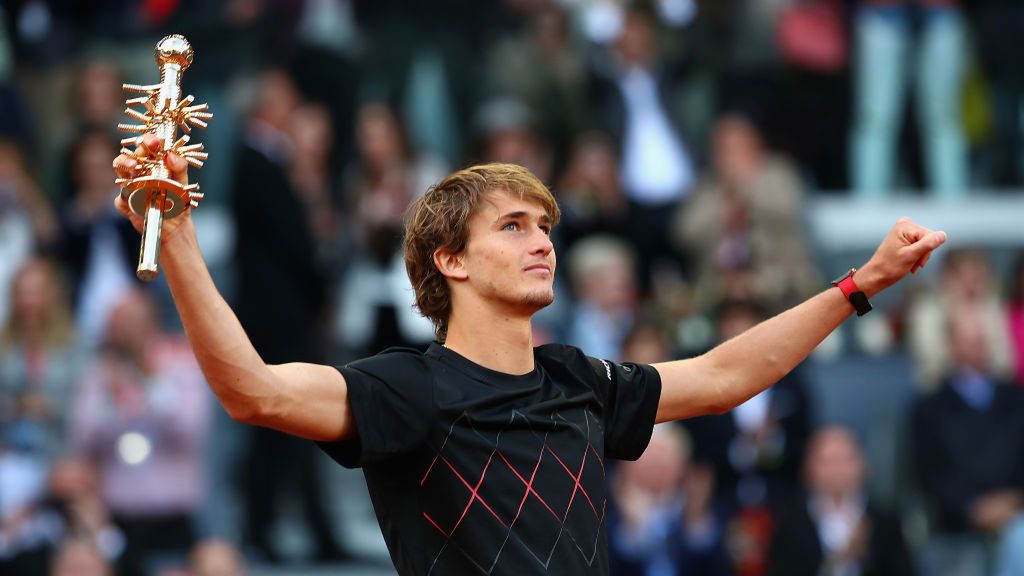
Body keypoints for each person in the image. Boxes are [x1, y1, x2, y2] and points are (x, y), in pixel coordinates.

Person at [112, 133, 946, 575]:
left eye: (545, 225)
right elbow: (251, 391)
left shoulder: (578, 379)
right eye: (513, 226)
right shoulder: (407, 387)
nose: (541, 241)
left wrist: (861, 284)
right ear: (452, 260)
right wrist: (178, 238)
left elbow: (727, 375)